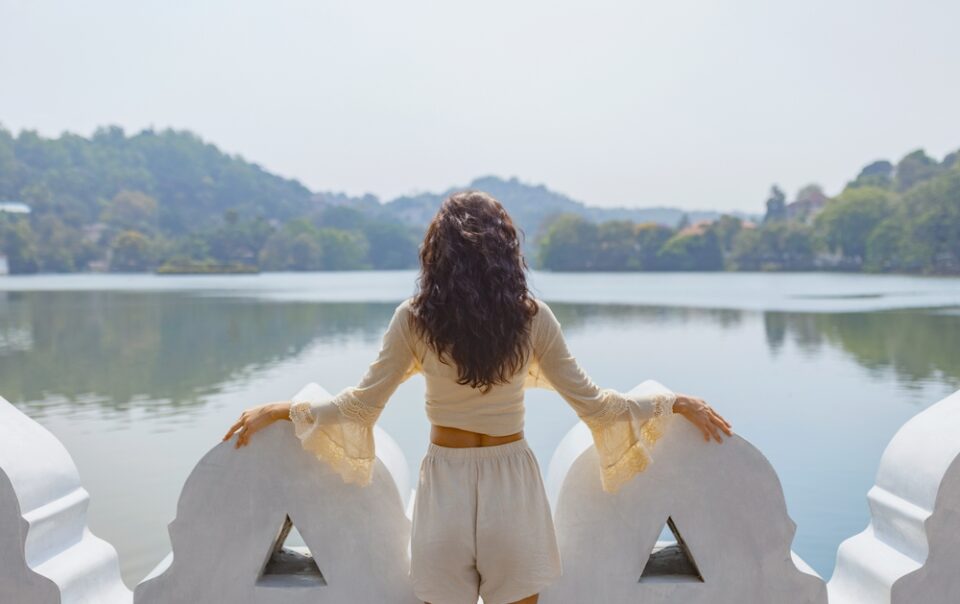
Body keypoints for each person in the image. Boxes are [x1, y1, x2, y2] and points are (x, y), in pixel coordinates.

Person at [222, 190, 733, 604]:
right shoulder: (531, 318)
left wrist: (280, 410)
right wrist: (673, 402)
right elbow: (596, 406)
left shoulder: (415, 319)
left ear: (436, 252)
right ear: (506, 250)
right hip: (512, 486)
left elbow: (360, 406)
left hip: (444, 482)